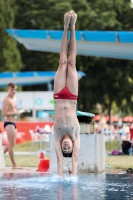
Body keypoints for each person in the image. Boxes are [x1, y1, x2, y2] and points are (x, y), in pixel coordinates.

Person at [53, 10, 80, 177]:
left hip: (58, 95)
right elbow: (74, 160)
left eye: (65, 149)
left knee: (62, 61)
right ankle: (73, 27)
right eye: (68, 149)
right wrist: (73, 177)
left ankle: (65, 27)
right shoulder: (75, 134)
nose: (66, 147)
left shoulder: (57, 135)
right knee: (71, 62)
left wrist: (61, 177)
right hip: (71, 96)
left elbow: (59, 161)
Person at [2, 83, 27, 169]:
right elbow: (4, 113)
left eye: (15, 89)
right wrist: (15, 112)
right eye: (11, 90)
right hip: (8, 123)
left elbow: (13, 110)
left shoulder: (15, 99)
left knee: (12, 144)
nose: (13, 91)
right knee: (11, 144)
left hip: (13, 123)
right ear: (8, 90)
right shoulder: (7, 99)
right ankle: (14, 164)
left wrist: (21, 111)